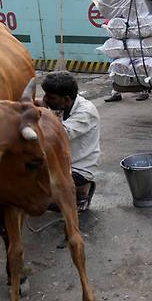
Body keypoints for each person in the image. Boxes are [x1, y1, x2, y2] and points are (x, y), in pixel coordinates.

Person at [41, 72, 100, 211]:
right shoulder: (63, 105)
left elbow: (57, 135)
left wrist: (42, 111)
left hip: (78, 167)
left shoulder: (86, 112)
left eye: (51, 97)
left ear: (66, 99)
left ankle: (82, 191)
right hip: (61, 162)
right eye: (45, 95)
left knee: (38, 198)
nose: (45, 99)